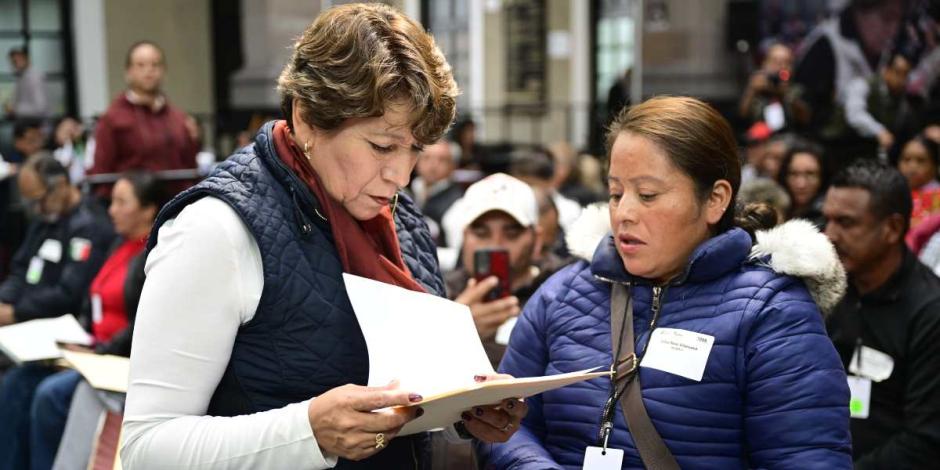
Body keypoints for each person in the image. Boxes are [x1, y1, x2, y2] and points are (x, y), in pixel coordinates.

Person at [120, 5, 524, 469]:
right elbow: (145, 449)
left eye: (416, 149)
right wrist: (307, 432)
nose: (401, 175)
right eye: (382, 145)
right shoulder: (214, 229)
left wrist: (463, 409)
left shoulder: (400, 217)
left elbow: (400, 396)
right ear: (308, 118)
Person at [477, 96, 853, 469]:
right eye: (615, 193)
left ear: (715, 200)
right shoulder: (563, 294)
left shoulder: (772, 314)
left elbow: (807, 458)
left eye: (648, 195)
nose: (623, 213)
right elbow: (504, 422)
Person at [0, 172, 166, 470]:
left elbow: (142, 322)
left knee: (49, 396)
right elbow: (91, 300)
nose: (111, 209)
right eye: (112, 201)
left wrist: (97, 353)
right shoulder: (117, 244)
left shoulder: (154, 255)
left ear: (148, 209)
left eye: (121, 202)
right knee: (17, 381)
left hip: (114, 360)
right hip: (88, 347)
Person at [822, 160, 940, 468]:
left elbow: (925, 441)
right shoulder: (829, 289)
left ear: (892, 228)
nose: (829, 234)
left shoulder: (930, 312)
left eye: (846, 223)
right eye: (828, 220)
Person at [444, 173, 570, 368]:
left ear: (537, 240)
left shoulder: (560, 294)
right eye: (481, 233)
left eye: (511, 234)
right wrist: (453, 331)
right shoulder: (437, 294)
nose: (496, 245)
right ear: (465, 237)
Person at [0, 154, 114, 327]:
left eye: (40, 200)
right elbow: (20, 269)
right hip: (25, 315)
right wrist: (4, 299)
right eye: (31, 203)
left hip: (60, 323)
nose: (38, 209)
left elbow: (69, 294)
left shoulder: (89, 225)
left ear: (61, 185)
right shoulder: (45, 219)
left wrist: (17, 312)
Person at [86, 41, 199, 199]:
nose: (149, 70)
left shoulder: (179, 118)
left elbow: (190, 167)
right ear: (128, 72)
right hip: (135, 208)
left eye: (155, 65)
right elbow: (101, 173)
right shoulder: (112, 118)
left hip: (176, 205)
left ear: (163, 71)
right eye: (141, 65)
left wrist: (194, 140)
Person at [845, 53, 913, 154]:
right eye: (898, 73)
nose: (902, 80)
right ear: (886, 71)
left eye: (905, 75)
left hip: (872, 151)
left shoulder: (902, 102)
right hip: (843, 144)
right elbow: (855, 114)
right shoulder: (863, 85)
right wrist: (879, 131)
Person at [738, 43, 804, 131]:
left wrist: (785, 94)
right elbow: (741, 117)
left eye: (787, 62)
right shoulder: (757, 86)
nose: (781, 67)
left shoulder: (797, 90)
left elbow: (805, 119)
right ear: (764, 64)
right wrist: (752, 91)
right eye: (775, 62)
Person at [409, 140, 463, 245]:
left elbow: (457, 253)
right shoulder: (405, 190)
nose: (433, 165)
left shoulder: (458, 203)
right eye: (426, 158)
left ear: (453, 166)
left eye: (442, 160)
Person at [777, 138, 828, 227]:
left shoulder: (829, 219)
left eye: (810, 174)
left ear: (822, 177)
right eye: (793, 174)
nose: (801, 184)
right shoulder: (774, 210)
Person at [898, 134, 940, 233]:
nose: (912, 166)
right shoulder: (892, 196)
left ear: (935, 166)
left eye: (921, 161)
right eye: (906, 159)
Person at [4, 47, 49, 120]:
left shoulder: (35, 77)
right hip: (26, 121)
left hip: (38, 125)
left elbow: (40, 108)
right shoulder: (22, 77)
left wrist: (15, 109)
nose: (14, 65)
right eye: (12, 62)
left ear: (25, 58)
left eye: (16, 61)